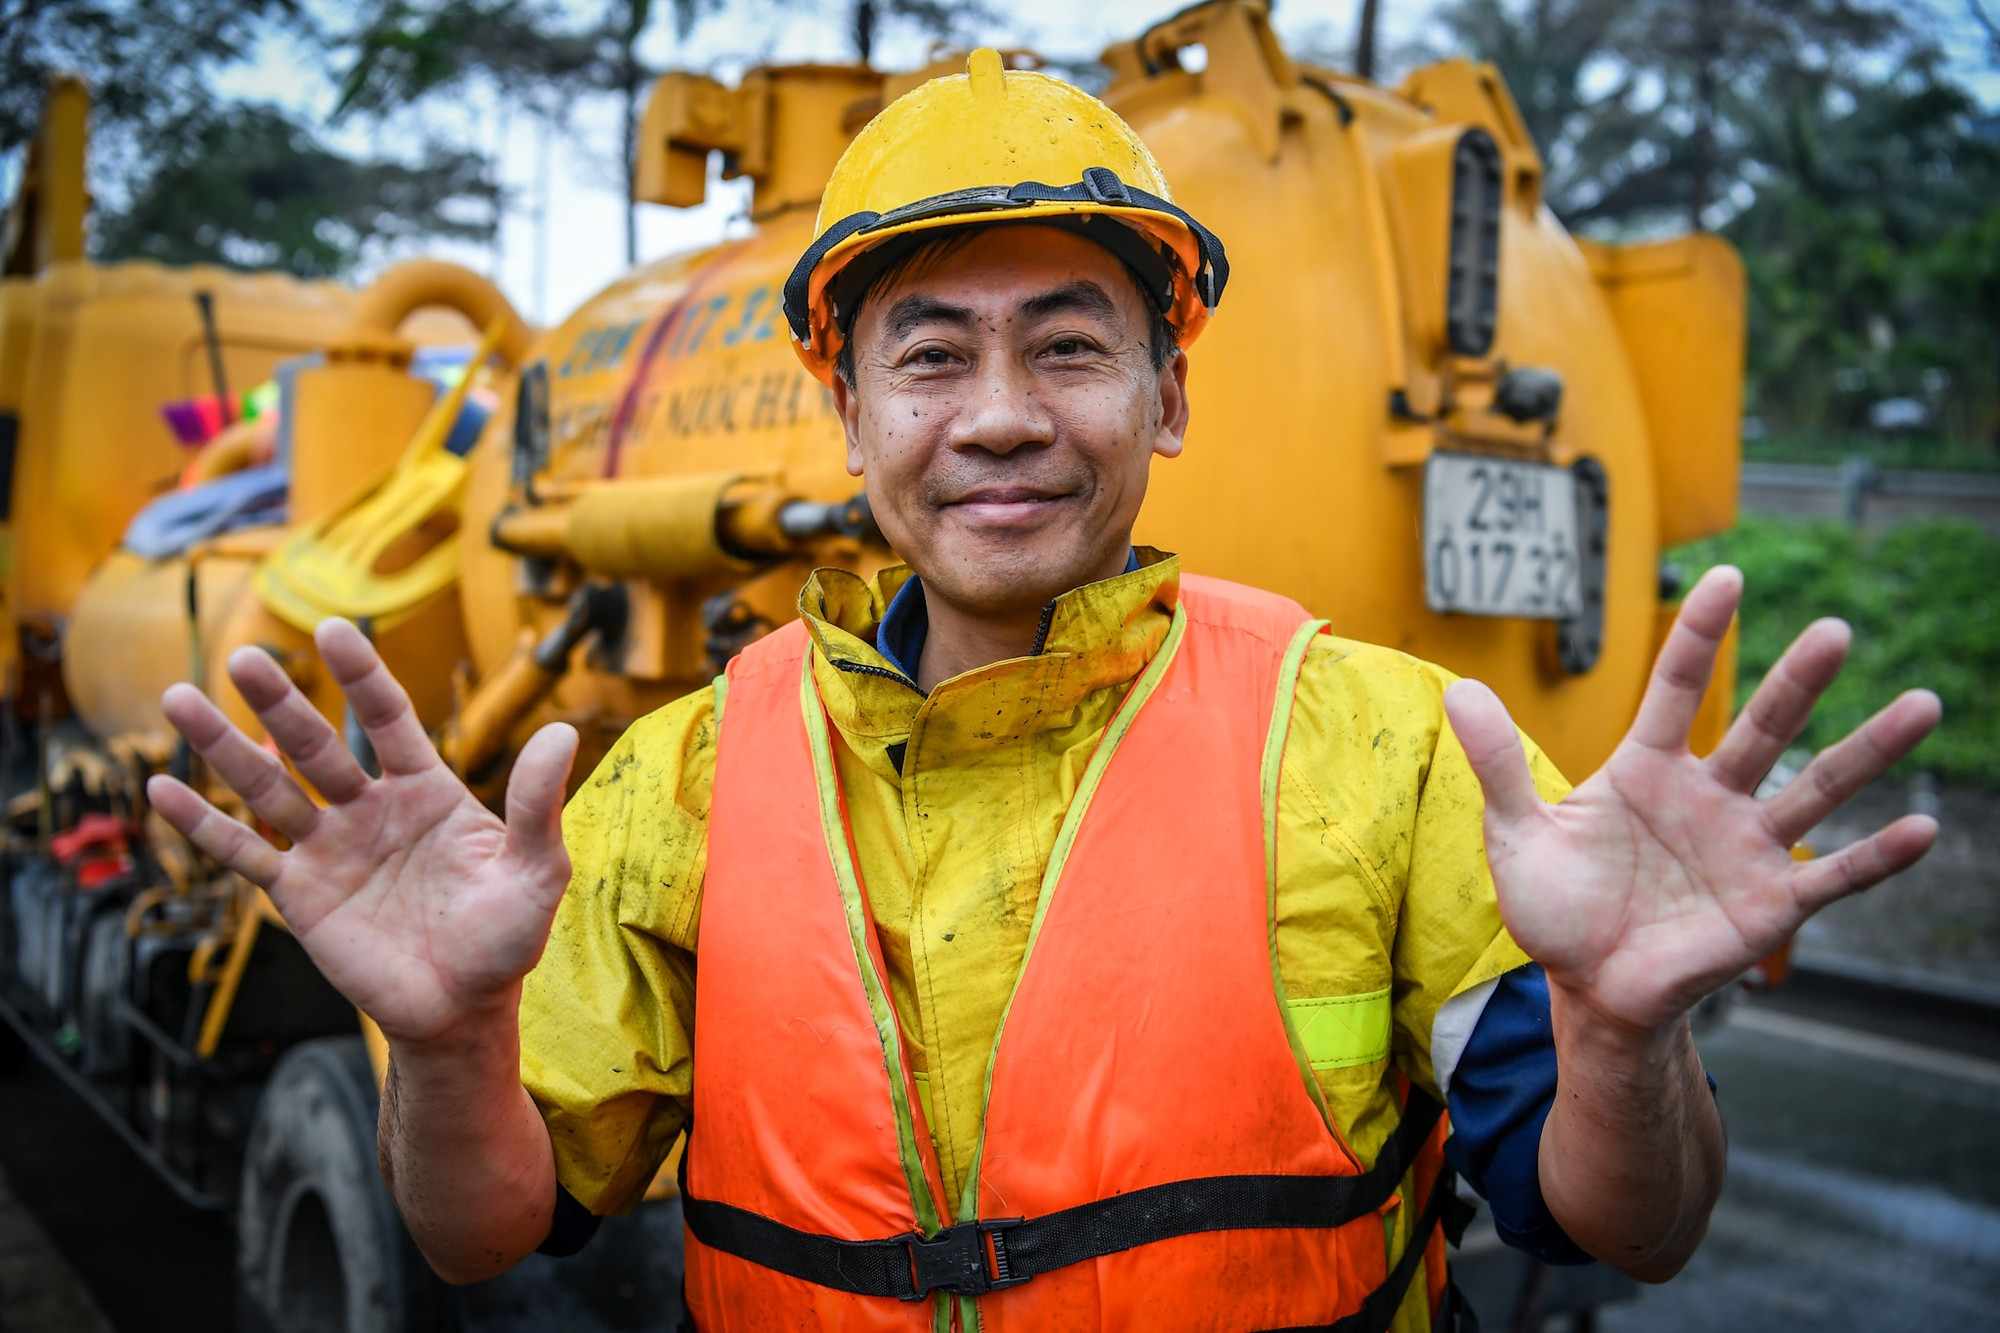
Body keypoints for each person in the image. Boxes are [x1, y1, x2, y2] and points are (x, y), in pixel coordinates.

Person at [147, 52, 1941, 1333]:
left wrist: (1629, 1040)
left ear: (1169, 395)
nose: (1000, 412)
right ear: (845, 414)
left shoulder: (1379, 746)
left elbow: (1624, 1224)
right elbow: (480, 1240)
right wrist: (452, 1050)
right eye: (930, 355)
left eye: (1070, 343)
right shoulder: (683, 780)